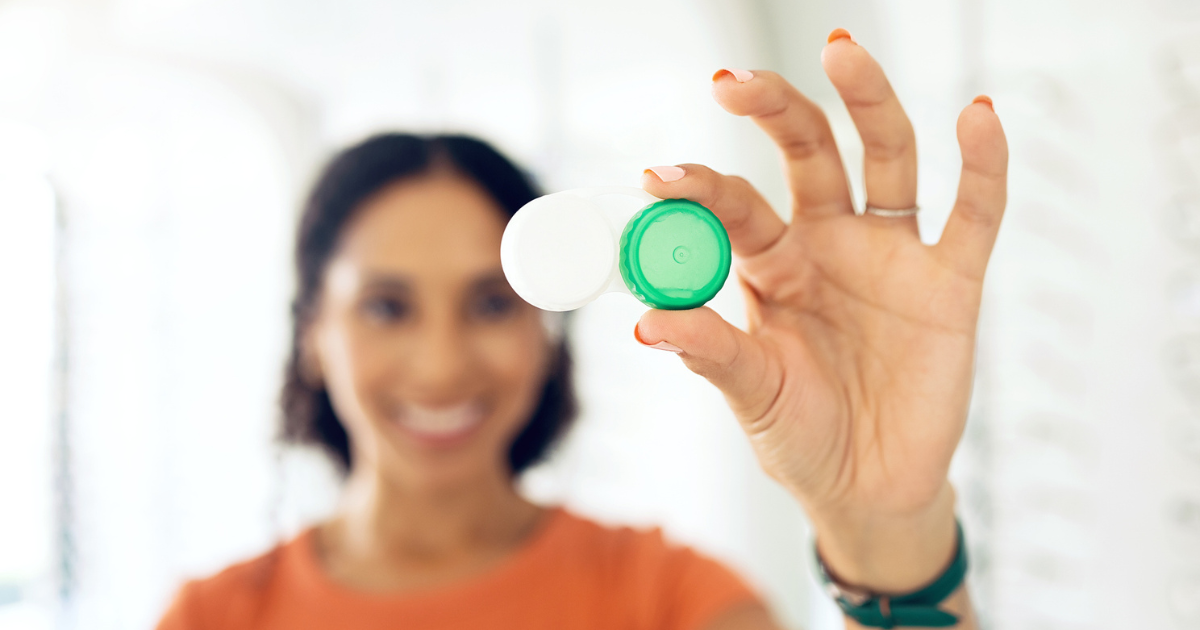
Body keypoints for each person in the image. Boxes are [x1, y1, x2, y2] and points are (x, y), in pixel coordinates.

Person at [158, 29, 1006, 630]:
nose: (442, 362)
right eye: (387, 306)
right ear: (313, 331)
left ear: (545, 329)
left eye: (492, 304)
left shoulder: (666, 601)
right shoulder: (214, 618)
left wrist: (886, 529)